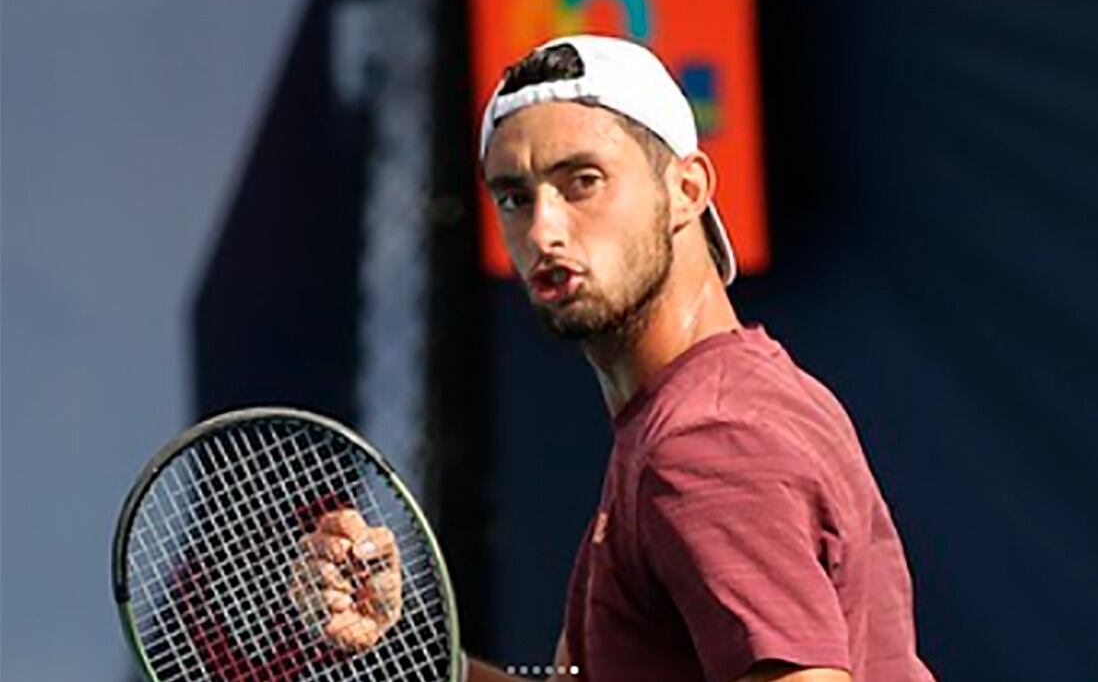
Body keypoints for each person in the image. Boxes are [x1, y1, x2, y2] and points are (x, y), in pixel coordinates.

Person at [297, 35, 937, 682]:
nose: (544, 231)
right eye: (515, 197)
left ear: (687, 189)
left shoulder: (708, 442)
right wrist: (415, 654)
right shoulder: (714, 404)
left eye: (583, 182)